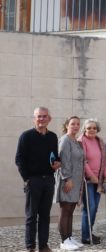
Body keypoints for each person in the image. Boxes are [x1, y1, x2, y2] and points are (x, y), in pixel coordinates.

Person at [15, 107, 61, 252]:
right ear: (34, 119)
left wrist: (57, 163)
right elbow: (19, 159)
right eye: (39, 116)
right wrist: (27, 179)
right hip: (33, 181)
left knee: (45, 216)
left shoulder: (53, 137)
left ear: (49, 119)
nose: (41, 119)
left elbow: (54, 156)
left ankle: (43, 245)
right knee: (31, 216)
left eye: (44, 116)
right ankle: (30, 246)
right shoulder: (26, 136)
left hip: (48, 180)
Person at [78, 118, 106, 245]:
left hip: (99, 180)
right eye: (89, 128)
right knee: (89, 207)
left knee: (94, 208)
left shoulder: (99, 141)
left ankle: (89, 233)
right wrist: (92, 176)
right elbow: (83, 161)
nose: (92, 130)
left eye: (94, 128)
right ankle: (85, 236)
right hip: (87, 180)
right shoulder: (82, 141)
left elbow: (105, 159)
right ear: (84, 129)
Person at [55, 116, 85, 251]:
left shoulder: (77, 142)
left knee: (71, 211)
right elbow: (64, 161)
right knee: (65, 210)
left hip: (76, 181)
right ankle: (64, 240)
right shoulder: (65, 140)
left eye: (78, 124)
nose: (76, 126)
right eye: (73, 124)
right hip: (67, 180)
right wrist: (67, 179)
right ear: (67, 125)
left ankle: (69, 237)